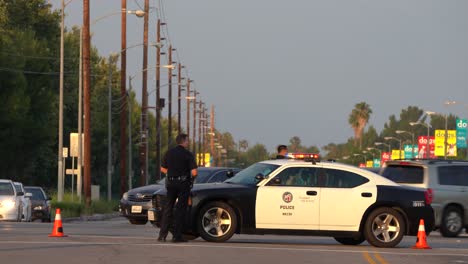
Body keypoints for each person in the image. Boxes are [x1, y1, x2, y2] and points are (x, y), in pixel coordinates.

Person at [158, 133, 198, 243]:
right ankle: (177, 236)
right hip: (183, 184)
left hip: (170, 183)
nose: (188, 142)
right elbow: (194, 172)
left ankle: (162, 235)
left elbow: (162, 169)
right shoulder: (187, 154)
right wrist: (190, 180)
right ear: (184, 141)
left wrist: (172, 173)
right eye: (187, 140)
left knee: (168, 209)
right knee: (180, 210)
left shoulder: (169, 153)